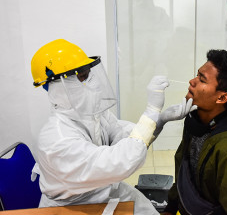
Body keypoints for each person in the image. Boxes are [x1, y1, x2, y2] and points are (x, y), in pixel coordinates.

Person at [30, 39, 195, 215]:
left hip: (99, 192)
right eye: (82, 76)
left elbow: (129, 138)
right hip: (74, 207)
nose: (91, 82)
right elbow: (122, 161)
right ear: (57, 86)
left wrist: (159, 120)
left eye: (89, 74)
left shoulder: (90, 115)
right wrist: (152, 111)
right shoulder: (57, 141)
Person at [162, 50, 227, 215]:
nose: (192, 81)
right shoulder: (196, 120)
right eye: (197, 75)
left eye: (202, 79)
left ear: (222, 98)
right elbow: (184, 167)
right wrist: (170, 208)